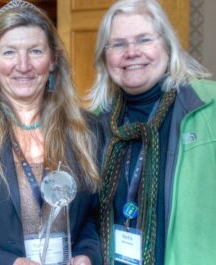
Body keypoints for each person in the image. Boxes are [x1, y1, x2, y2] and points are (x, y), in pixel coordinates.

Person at [0, 0, 103, 265]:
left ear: (53, 60)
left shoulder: (87, 129)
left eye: (36, 51)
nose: (23, 65)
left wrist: (88, 254)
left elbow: (95, 217)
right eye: (9, 53)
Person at [88, 0, 216, 265]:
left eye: (144, 39)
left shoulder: (208, 108)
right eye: (119, 44)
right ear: (105, 56)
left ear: (167, 46)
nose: (132, 52)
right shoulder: (94, 123)